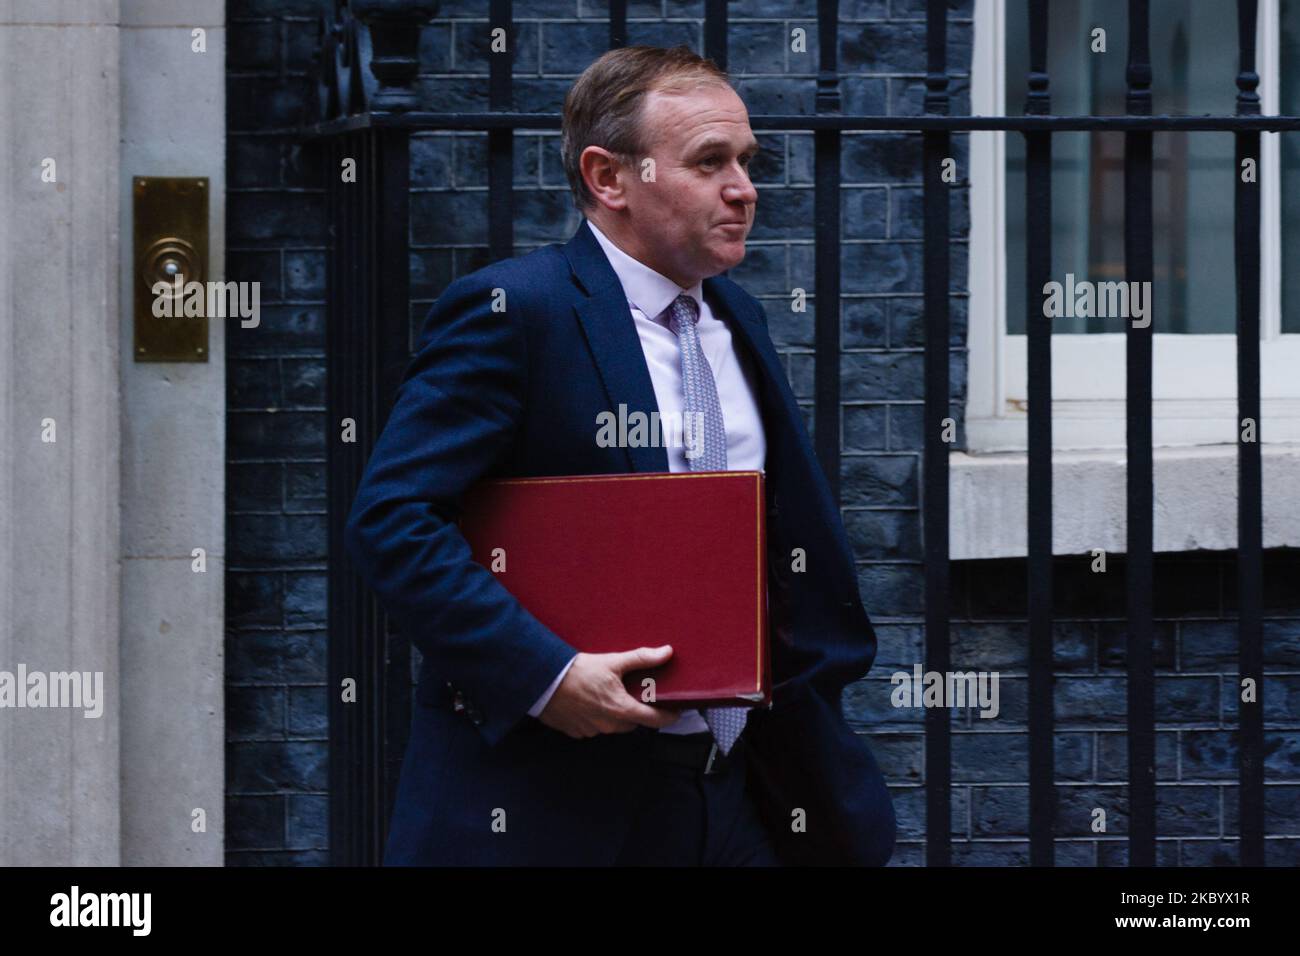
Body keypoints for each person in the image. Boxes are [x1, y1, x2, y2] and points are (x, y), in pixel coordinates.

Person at [344, 44, 895, 866]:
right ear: (609, 178)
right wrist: (545, 675)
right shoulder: (515, 312)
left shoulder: (738, 320)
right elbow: (392, 521)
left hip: (739, 794)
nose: (745, 189)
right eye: (710, 162)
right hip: (561, 806)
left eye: (747, 161)